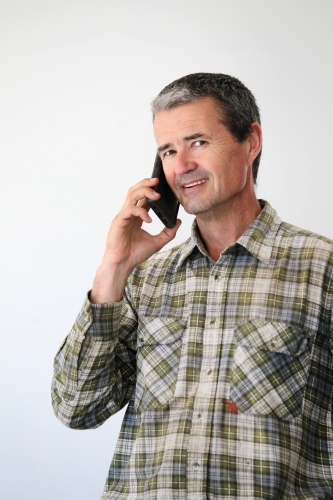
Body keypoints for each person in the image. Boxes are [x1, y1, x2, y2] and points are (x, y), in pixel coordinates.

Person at [52, 73, 333, 499]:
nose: (180, 166)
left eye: (197, 142)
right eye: (167, 150)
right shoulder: (145, 278)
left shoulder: (322, 268)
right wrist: (112, 271)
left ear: (251, 141)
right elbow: (76, 408)